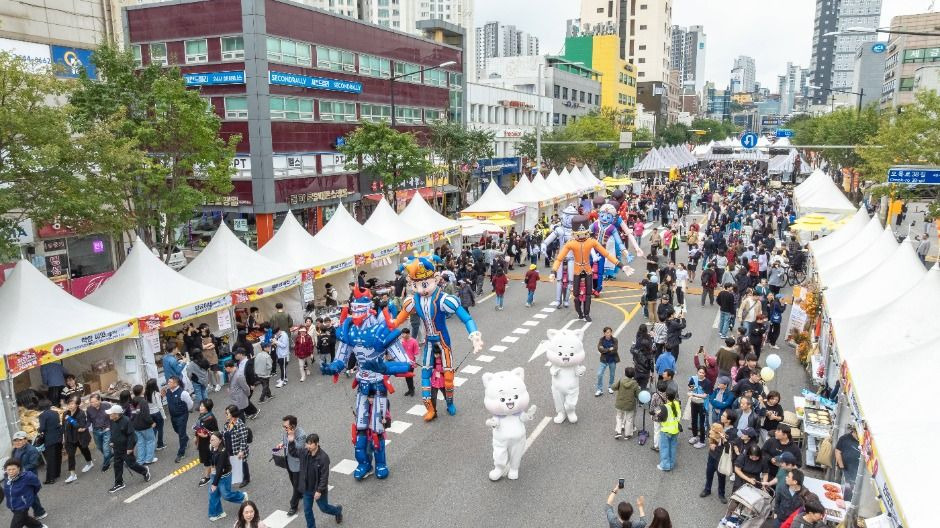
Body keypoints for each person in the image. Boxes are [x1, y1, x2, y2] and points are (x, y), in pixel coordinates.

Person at [287, 433, 343, 528]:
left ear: (317, 443)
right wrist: (291, 442)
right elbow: (293, 452)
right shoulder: (304, 452)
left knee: (324, 508)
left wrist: (319, 490)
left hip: (317, 490)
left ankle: (337, 511)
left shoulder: (323, 458)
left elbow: (324, 477)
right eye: (307, 443)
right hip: (306, 489)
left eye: (310, 444)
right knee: (307, 511)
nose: (308, 446)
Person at [106, 405, 151, 493]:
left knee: (131, 464)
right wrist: (111, 441)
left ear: (116, 414)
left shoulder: (126, 421)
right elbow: (112, 432)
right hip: (117, 448)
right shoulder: (112, 421)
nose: (109, 415)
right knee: (117, 465)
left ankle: (145, 471)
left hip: (126, 448)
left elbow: (131, 436)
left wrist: (130, 448)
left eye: (111, 413)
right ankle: (119, 483)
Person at [206, 431, 246, 521]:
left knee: (226, 495)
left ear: (220, 440)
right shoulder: (211, 447)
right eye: (211, 439)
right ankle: (217, 513)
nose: (211, 441)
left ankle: (242, 497)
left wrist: (214, 484)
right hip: (214, 475)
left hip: (224, 477)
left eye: (213, 440)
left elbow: (220, 469)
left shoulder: (223, 452)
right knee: (213, 494)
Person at [9, 432, 46, 520]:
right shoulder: (15, 449)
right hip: (19, 475)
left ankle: (40, 512)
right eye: (15, 440)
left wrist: (20, 470)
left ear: (26, 440)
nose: (18, 442)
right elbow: (13, 461)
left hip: (29, 476)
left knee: (30, 494)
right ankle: (35, 513)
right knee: (25, 495)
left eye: (20, 440)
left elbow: (34, 464)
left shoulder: (32, 450)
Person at [1, 459, 47, 528]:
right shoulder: (6, 478)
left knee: (16, 524)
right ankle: (39, 526)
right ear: (5, 470)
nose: (11, 471)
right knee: (25, 518)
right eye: (9, 469)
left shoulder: (27, 477)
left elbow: (37, 486)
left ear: (19, 468)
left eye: (13, 469)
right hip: (12, 506)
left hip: (22, 506)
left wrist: (29, 496)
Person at [277, 415, 306, 517]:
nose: (284, 428)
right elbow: (285, 439)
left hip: (297, 464)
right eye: (283, 426)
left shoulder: (301, 435)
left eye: (286, 426)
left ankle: (293, 506)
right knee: (293, 481)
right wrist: (282, 443)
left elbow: (299, 449)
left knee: (296, 486)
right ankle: (301, 493)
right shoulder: (287, 431)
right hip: (288, 461)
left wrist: (292, 440)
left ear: (292, 426)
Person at [700, 412, 733, 504]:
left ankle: (721, 494)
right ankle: (707, 489)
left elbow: (730, 446)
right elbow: (709, 433)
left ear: (729, 420)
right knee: (709, 472)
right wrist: (711, 443)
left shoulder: (733, 431)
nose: (721, 416)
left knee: (721, 476)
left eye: (724, 416)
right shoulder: (718, 424)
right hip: (712, 454)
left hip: (722, 457)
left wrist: (723, 440)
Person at [62, 396, 94, 483]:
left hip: (80, 437)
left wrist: (70, 419)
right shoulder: (65, 413)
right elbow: (63, 426)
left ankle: (89, 463)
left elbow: (79, 426)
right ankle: (73, 475)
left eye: (72, 404)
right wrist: (64, 437)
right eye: (69, 404)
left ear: (77, 404)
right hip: (69, 438)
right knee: (70, 455)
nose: (70, 405)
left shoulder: (81, 413)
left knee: (85, 450)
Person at [162, 376, 193, 464]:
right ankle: (186, 438)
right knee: (177, 430)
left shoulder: (183, 393)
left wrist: (185, 411)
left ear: (175, 384)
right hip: (173, 416)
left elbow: (190, 404)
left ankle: (181, 453)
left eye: (170, 382)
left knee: (181, 434)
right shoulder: (168, 391)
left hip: (182, 416)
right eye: (168, 382)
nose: (168, 383)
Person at [222, 405, 251, 489]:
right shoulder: (228, 423)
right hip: (229, 447)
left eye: (227, 413)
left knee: (243, 463)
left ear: (233, 414)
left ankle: (246, 478)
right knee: (233, 463)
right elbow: (224, 433)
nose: (226, 415)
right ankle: (236, 477)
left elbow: (243, 439)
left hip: (237, 449)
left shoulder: (240, 424)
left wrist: (241, 451)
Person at [85, 394, 113, 472]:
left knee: (106, 449)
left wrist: (110, 426)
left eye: (95, 401)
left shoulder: (107, 405)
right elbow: (89, 420)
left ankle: (106, 464)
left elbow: (112, 416)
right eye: (91, 402)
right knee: (100, 447)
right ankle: (110, 455)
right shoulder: (89, 409)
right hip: (96, 431)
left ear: (100, 400)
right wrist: (85, 427)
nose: (93, 403)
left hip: (106, 430)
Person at [195, 399, 219, 487]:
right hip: (202, 442)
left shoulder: (211, 419)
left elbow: (215, 433)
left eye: (202, 406)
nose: (200, 407)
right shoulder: (202, 416)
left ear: (207, 408)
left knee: (208, 460)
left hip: (208, 443)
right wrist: (196, 437)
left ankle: (207, 477)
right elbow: (199, 427)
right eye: (200, 405)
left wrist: (206, 436)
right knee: (207, 460)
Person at [36, 400, 61, 485]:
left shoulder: (42, 415)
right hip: (58, 437)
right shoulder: (55, 413)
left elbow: (42, 428)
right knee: (57, 456)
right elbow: (58, 423)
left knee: (50, 459)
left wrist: (38, 429)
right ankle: (57, 473)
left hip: (50, 439)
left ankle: (50, 478)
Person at [612, 367, 640, 440]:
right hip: (630, 404)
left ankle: (618, 432)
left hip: (620, 403)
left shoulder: (621, 380)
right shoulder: (635, 384)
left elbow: (613, 387)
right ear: (633, 375)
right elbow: (638, 395)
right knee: (629, 419)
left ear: (625, 373)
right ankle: (628, 434)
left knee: (619, 417)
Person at [687, 367, 712, 449]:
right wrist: (691, 388)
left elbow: (705, 395)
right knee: (694, 420)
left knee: (702, 423)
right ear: (697, 372)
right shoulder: (693, 378)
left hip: (702, 404)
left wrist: (693, 394)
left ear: (705, 374)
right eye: (699, 372)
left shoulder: (707, 382)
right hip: (694, 402)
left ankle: (702, 441)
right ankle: (694, 436)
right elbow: (690, 388)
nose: (701, 374)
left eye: (703, 373)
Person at [656, 388, 680, 472]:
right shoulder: (677, 404)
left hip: (666, 430)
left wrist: (657, 413)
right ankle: (671, 463)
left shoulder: (664, 407)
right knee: (672, 447)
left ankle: (665, 465)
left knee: (664, 448)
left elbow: (660, 419)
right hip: (675, 429)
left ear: (666, 397)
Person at [835, 427, 861, 498]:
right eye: (858, 434)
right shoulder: (844, 438)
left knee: (849, 494)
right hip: (844, 470)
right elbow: (837, 452)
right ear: (854, 431)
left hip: (855, 473)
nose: (859, 437)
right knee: (839, 491)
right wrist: (842, 468)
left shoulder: (862, 441)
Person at [143, 379, 166, 453]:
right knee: (160, 429)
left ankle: (151, 445)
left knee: (153, 430)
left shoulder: (145, 394)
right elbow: (160, 406)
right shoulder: (156, 394)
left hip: (150, 414)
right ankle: (160, 444)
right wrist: (164, 416)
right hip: (157, 413)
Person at [595, 327, 620, 396]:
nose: (609, 334)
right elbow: (600, 349)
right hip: (603, 360)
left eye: (610, 332)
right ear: (604, 333)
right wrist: (609, 349)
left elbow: (615, 350)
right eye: (607, 332)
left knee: (612, 374)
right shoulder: (601, 340)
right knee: (599, 374)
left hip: (612, 360)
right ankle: (599, 389)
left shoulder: (615, 340)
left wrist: (605, 350)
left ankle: (610, 387)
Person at [631, 325, 655, 390]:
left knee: (635, 387)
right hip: (646, 373)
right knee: (643, 387)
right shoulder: (649, 353)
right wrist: (652, 373)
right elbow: (651, 363)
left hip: (637, 370)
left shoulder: (637, 351)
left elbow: (633, 351)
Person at [400, 328, 419, 397]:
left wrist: (416, 362)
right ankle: (410, 389)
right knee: (406, 377)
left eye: (403, 334)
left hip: (411, 363)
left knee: (409, 376)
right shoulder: (401, 341)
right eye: (402, 334)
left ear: (408, 334)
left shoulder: (414, 342)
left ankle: (411, 390)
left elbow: (416, 353)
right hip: (404, 362)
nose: (402, 335)